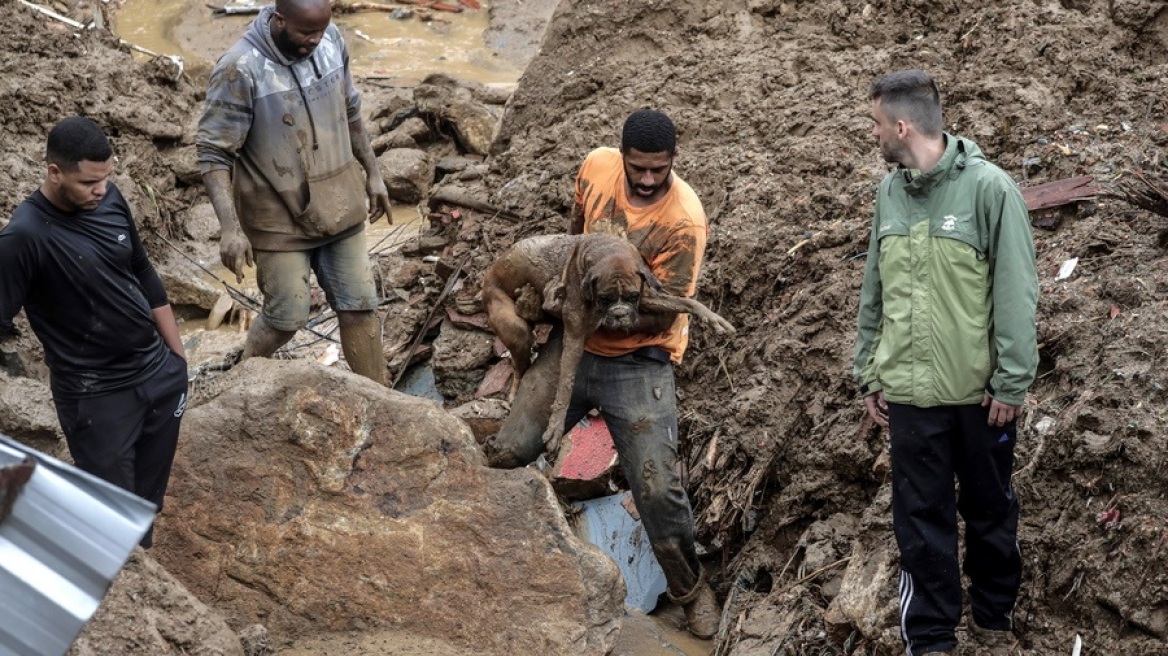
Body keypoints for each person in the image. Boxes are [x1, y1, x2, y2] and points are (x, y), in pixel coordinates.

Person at [486, 109, 721, 639]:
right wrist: (558, 287)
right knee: (511, 451)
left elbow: (663, 310)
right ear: (621, 156)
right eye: (636, 168)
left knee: (656, 486)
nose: (644, 179)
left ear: (673, 163)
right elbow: (573, 236)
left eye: (656, 171)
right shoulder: (596, 168)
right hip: (575, 343)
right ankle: (499, 561)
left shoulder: (682, 221)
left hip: (640, 357)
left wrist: (579, 311)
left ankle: (690, 589)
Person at [853, 69, 1039, 656]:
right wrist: (870, 371)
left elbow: (1016, 292)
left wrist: (1012, 381)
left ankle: (993, 620)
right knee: (920, 522)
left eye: (877, 123)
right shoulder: (890, 193)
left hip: (981, 398)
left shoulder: (990, 189)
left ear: (902, 125)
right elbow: (873, 290)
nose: (874, 134)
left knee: (989, 512)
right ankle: (931, 638)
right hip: (909, 398)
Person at [0, 116, 189, 548]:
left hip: (159, 375)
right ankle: (125, 598)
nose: (100, 191)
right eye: (88, 183)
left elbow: (142, 269)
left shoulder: (109, 198)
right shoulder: (23, 237)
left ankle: (148, 593)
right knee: (112, 514)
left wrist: (178, 360)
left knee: (145, 504)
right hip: (97, 396)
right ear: (54, 173)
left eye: (106, 179)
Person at [197, 0, 391, 384]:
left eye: (320, 31)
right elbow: (213, 152)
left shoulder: (330, 41)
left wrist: (374, 173)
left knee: (360, 307)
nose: (314, 41)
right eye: (305, 33)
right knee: (287, 316)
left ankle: (382, 397)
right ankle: (244, 381)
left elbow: (351, 110)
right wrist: (230, 228)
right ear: (279, 19)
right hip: (276, 215)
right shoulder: (240, 68)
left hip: (339, 201)